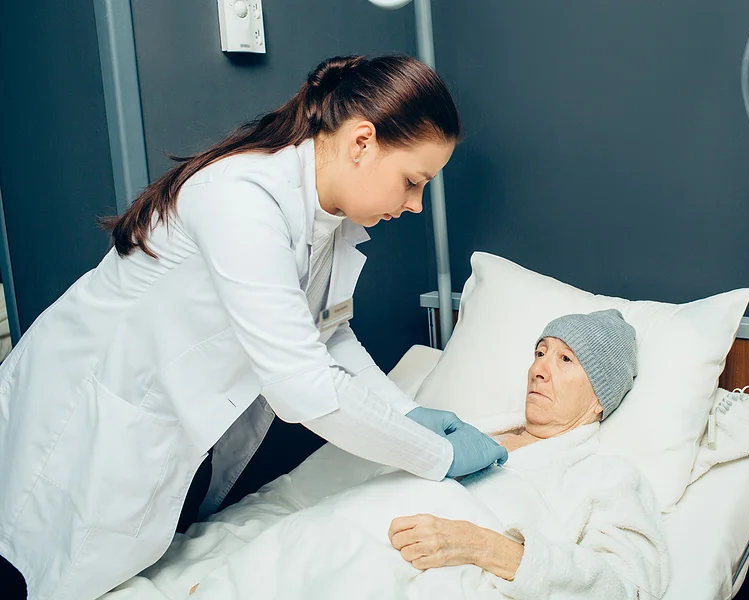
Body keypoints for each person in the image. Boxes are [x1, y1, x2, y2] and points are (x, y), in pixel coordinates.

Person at [0, 54, 506, 600]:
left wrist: (408, 412)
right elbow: (302, 387)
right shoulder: (241, 197)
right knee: (27, 565)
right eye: (414, 180)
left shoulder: (327, 221)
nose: (414, 204)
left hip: (155, 435)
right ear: (362, 142)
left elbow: (329, 335)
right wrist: (437, 455)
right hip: (77, 420)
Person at [131, 310, 667, 600]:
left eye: (566, 359)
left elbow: (627, 585)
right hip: (345, 537)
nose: (539, 368)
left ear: (600, 397)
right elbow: (346, 500)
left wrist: (483, 547)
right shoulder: (470, 434)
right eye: (539, 352)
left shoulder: (609, 478)